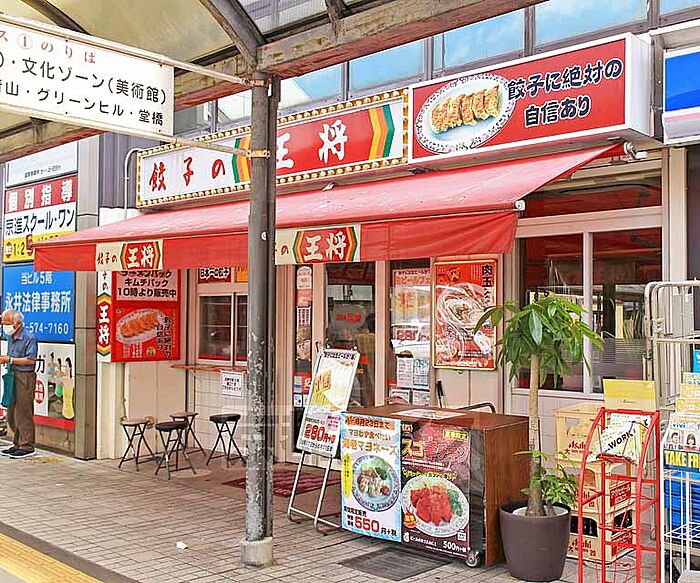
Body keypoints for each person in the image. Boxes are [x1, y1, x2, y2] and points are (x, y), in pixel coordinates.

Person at [0, 310, 38, 459]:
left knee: (24, 411)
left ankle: (27, 446)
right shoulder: (10, 337)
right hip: (12, 374)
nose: (5, 327)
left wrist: (9, 359)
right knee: (11, 410)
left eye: (8, 324)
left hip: (25, 376)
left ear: (18, 324)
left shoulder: (29, 337)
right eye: (3, 323)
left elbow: (31, 360)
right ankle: (17, 443)